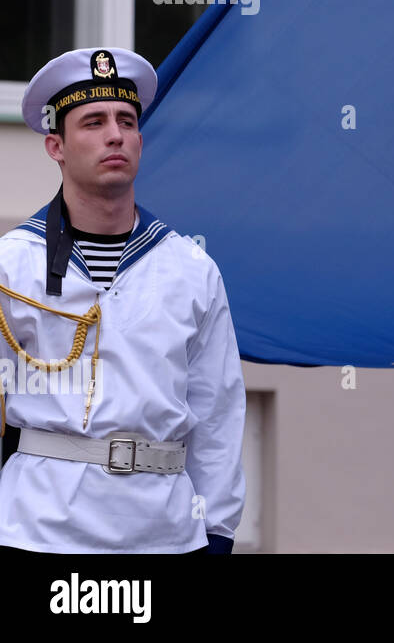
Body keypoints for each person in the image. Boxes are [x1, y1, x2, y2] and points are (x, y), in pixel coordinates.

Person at [0, 48, 245, 553]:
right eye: (93, 121)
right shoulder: (12, 264)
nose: (115, 134)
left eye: (126, 121)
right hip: (37, 533)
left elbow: (216, 408)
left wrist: (217, 530)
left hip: (165, 535)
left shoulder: (190, 268)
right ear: (56, 146)